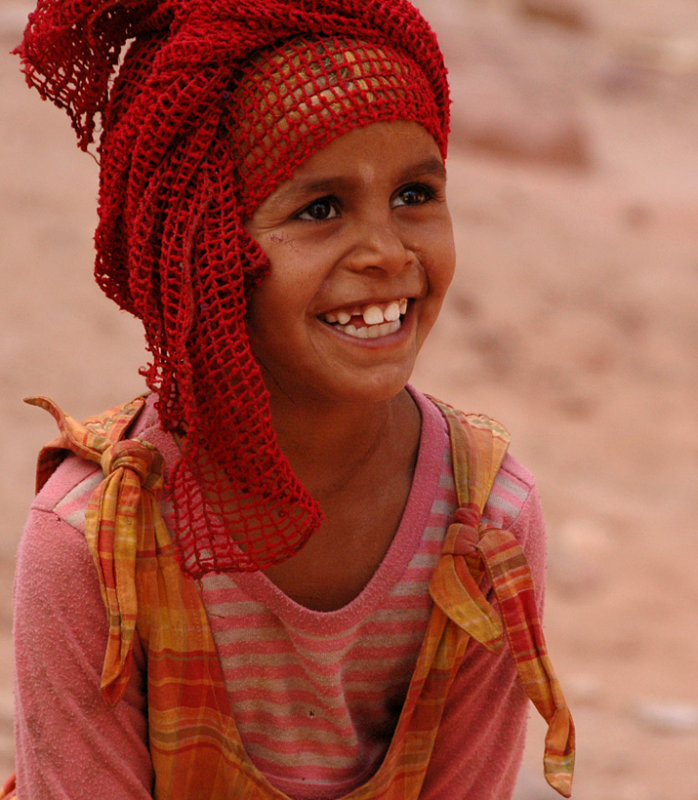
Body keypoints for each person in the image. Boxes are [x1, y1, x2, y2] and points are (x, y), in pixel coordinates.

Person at [8, 1, 575, 798]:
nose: (386, 251)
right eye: (319, 208)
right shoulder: (94, 544)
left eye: (415, 194)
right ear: (203, 249)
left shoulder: (484, 524)